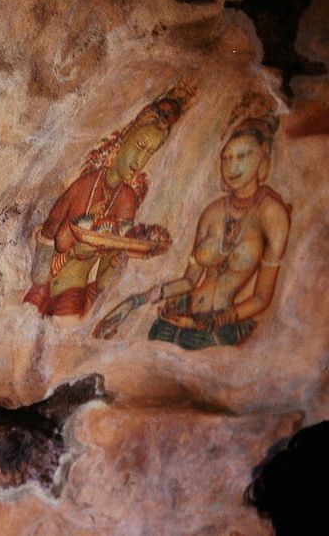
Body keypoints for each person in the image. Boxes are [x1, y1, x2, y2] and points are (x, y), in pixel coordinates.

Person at [95, 116, 291, 349]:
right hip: (175, 323)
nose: (231, 166)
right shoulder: (213, 212)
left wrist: (211, 322)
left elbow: (261, 298)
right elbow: (189, 280)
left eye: (242, 156)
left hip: (218, 333)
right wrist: (136, 301)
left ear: (262, 159)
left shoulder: (272, 214)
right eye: (226, 158)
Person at [24, 86, 193, 317]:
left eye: (149, 153)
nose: (140, 160)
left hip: (72, 296)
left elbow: (104, 281)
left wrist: (119, 258)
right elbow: (43, 257)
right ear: (125, 139)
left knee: (65, 325)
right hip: (39, 291)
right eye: (140, 147)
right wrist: (66, 255)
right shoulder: (84, 184)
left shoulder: (127, 200)